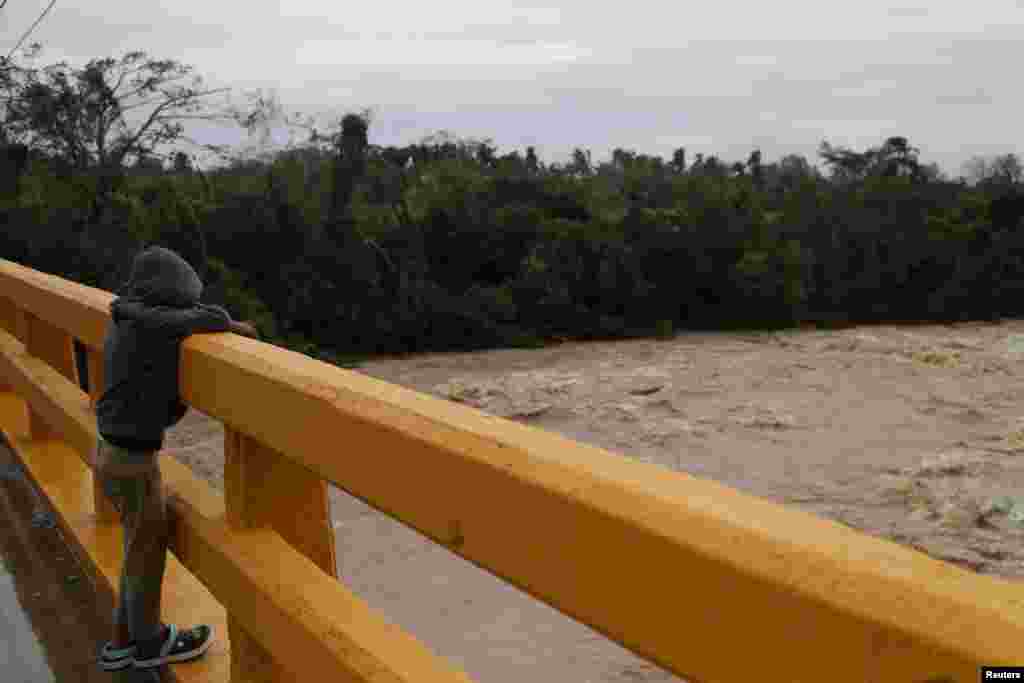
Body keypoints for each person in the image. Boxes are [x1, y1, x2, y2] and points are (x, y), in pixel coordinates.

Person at [93, 246, 259, 671]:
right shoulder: (150, 324)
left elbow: (178, 318)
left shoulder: (126, 315)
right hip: (132, 460)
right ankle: (150, 641)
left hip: (111, 452)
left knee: (136, 546)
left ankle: (122, 640)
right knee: (148, 551)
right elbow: (205, 319)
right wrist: (230, 323)